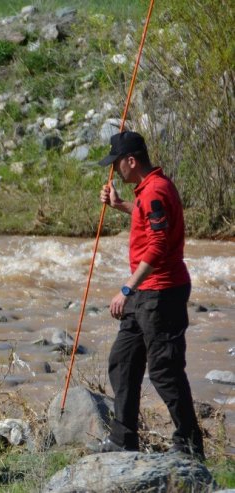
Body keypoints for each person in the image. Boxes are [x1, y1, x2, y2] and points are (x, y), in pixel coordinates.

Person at [94, 130, 204, 460]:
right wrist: (120, 205)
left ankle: (189, 446)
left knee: (164, 371)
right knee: (123, 362)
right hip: (147, 293)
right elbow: (151, 220)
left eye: (116, 165)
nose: (114, 172)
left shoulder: (155, 191)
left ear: (131, 161)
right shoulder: (150, 189)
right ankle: (122, 440)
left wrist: (126, 288)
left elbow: (158, 244)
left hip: (161, 292)